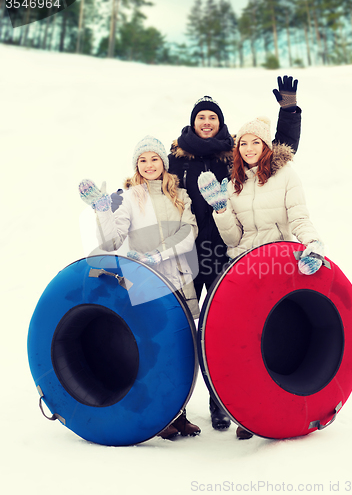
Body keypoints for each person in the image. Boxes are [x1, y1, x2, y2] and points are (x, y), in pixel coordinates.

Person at [168, 76, 302, 431]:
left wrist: (288, 110)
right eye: (202, 117)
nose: (207, 122)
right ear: (193, 122)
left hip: (226, 252)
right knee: (177, 327)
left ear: (220, 123)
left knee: (227, 329)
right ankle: (172, 409)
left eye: (213, 117)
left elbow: (280, 152)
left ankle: (220, 402)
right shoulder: (175, 157)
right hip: (185, 254)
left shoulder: (235, 155)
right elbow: (150, 183)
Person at [198, 116, 324, 438]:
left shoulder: (285, 175)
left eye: (256, 141)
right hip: (245, 268)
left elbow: (298, 215)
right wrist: (221, 210)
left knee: (273, 337)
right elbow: (233, 238)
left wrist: (312, 242)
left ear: (266, 145)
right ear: (237, 148)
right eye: (244, 143)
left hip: (278, 267)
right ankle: (245, 412)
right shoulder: (234, 183)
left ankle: (276, 409)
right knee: (243, 343)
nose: (250, 147)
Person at [78, 135, 201, 440]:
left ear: (164, 163)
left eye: (154, 159)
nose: (149, 165)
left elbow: (189, 232)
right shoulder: (130, 198)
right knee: (157, 349)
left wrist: (159, 253)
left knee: (185, 351)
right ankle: (162, 417)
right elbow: (112, 241)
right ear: (136, 165)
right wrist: (103, 210)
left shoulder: (180, 196)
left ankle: (181, 414)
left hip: (180, 280)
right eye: (142, 160)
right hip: (147, 283)